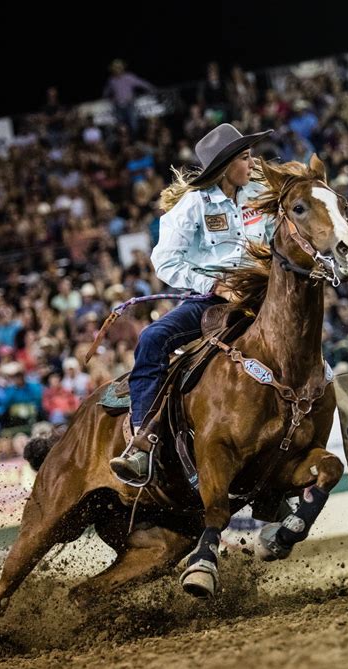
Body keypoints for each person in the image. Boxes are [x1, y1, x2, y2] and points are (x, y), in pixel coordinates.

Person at [110, 122, 275, 484]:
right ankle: (143, 442)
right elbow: (165, 261)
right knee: (153, 338)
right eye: (246, 158)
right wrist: (214, 284)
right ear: (226, 164)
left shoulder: (261, 193)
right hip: (212, 303)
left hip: (266, 295)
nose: (253, 164)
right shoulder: (193, 205)